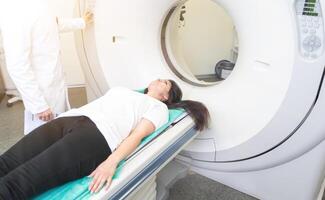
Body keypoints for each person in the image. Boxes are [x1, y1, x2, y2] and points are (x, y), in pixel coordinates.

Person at [0, 79, 210, 199]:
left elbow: (137, 135)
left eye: (165, 83)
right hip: (68, 119)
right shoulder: (123, 90)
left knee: (19, 182)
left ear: (166, 95)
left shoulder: (159, 108)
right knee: (6, 163)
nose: (159, 80)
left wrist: (111, 162)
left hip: (97, 136)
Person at [0, 0, 93, 134]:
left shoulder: (39, 5)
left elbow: (50, 24)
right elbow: (17, 65)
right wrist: (39, 106)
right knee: (43, 140)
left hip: (54, 84)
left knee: (59, 134)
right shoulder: (16, 11)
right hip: (43, 95)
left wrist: (81, 22)